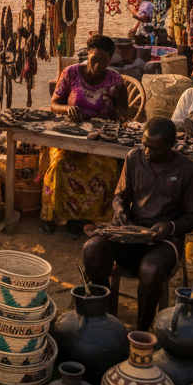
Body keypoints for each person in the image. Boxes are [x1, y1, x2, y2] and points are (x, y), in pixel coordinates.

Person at [82, 116, 193, 331]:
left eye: (155, 149)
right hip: (132, 234)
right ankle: (105, 316)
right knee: (92, 249)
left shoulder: (187, 169)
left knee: (150, 269)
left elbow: (192, 217)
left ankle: (141, 332)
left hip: (164, 241)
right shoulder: (133, 157)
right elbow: (121, 195)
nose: (148, 153)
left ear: (171, 146)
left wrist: (170, 226)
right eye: (145, 146)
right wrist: (119, 210)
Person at [40, 33, 130, 239]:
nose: (98, 65)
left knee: (105, 170)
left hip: (99, 139)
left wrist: (119, 107)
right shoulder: (71, 72)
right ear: (87, 55)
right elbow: (54, 104)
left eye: (104, 61)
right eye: (94, 59)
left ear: (110, 61)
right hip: (71, 135)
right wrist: (67, 110)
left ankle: (85, 219)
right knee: (62, 166)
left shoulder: (115, 79)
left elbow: (125, 113)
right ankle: (59, 217)